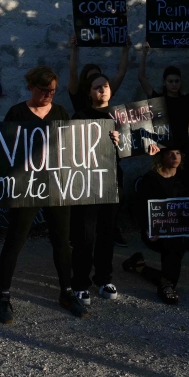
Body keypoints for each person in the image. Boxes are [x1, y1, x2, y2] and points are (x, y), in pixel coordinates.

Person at [0, 66, 88, 324]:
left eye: (53, 90)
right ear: (31, 87)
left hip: (56, 186)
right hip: (26, 187)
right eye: (44, 90)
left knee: (61, 240)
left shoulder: (61, 111)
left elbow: (77, 144)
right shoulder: (17, 112)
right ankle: (4, 295)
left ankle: (66, 292)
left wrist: (110, 138)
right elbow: (7, 149)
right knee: (15, 239)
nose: (49, 95)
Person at [69, 72, 133, 306]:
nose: (102, 90)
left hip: (112, 184)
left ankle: (104, 279)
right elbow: (71, 152)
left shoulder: (121, 117)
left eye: (105, 86)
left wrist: (121, 143)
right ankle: (80, 283)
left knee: (107, 234)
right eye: (97, 87)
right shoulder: (80, 116)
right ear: (89, 92)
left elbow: (131, 149)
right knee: (84, 236)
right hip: (86, 185)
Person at [66, 37, 131, 248]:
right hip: (86, 158)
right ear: (87, 86)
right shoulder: (78, 98)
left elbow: (121, 73)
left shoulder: (109, 102)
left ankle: (111, 230)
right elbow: (73, 74)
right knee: (84, 204)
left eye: (103, 83)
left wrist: (125, 48)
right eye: (92, 80)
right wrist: (74, 50)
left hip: (109, 158)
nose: (100, 88)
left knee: (115, 196)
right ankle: (81, 235)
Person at [137, 42, 189, 183]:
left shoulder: (186, 100)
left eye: (176, 81)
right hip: (164, 151)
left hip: (183, 150)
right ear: (164, 82)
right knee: (165, 188)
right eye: (170, 81)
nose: (174, 84)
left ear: (180, 82)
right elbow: (141, 78)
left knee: (185, 186)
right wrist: (144, 53)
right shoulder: (158, 100)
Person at [122, 148, 189, 305]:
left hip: (177, 229)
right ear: (161, 157)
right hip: (155, 231)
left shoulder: (184, 178)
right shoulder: (150, 178)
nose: (175, 157)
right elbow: (139, 208)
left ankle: (141, 268)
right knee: (174, 245)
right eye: (170, 153)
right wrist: (148, 228)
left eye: (178, 153)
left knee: (177, 244)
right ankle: (166, 287)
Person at [66, 35, 130, 114]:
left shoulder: (105, 91)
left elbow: (121, 73)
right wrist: (74, 50)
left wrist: (125, 50)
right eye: (92, 78)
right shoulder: (77, 92)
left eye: (97, 76)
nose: (102, 90)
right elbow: (73, 72)